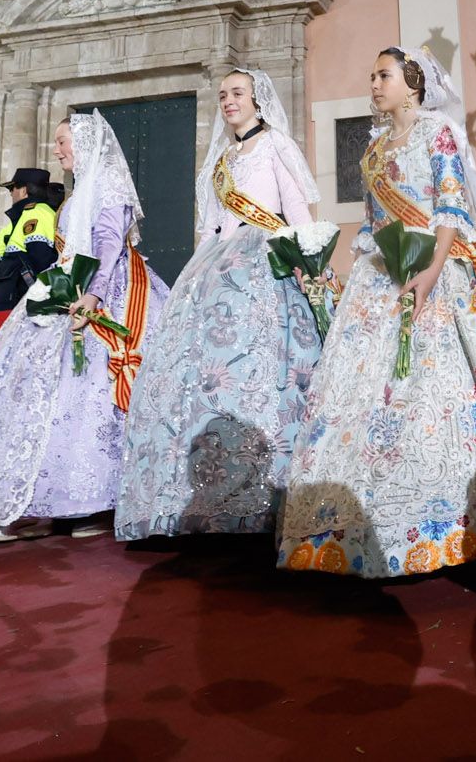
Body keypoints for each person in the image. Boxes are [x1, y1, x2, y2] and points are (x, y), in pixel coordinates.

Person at [278, 47, 476, 579]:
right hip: (380, 277)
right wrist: (358, 274)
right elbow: (369, 224)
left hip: (439, 263)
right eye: (371, 75)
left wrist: (431, 273)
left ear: (412, 84)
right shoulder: (374, 148)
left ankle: (446, 520)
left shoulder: (438, 132)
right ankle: (346, 525)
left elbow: (452, 206)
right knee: (357, 394)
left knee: (438, 387)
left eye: (383, 74)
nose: (374, 83)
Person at [0, 111, 169, 542]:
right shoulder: (72, 197)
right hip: (59, 289)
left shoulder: (109, 187)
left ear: (86, 143)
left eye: (64, 141)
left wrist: (94, 296)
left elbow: (107, 246)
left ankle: (89, 503)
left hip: (104, 289)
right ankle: (30, 500)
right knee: (33, 390)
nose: (58, 149)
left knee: (88, 393)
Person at [115, 68, 324, 540]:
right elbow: (212, 225)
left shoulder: (274, 146)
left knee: (261, 368)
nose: (228, 101)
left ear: (257, 99)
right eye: (224, 95)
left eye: (237, 93)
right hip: (215, 270)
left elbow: (297, 212)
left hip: (265, 264)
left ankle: (270, 492)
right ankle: (205, 494)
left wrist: (308, 264)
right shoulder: (222, 159)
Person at [0, 168, 61, 312]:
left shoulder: (36, 213)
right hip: (17, 298)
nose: (11, 193)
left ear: (24, 191)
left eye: (12, 188)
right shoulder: (26, 216)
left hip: (23, 301)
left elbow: (40, 256)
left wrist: (9, 286)